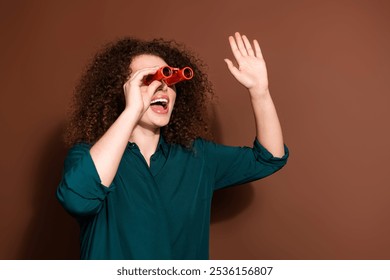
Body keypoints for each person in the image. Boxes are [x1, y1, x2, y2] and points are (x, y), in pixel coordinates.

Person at [57, 32, 289, 260]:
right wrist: (131, 111)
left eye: (170, 81)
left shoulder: (197, 156)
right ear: (122, 91)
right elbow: (77, 200)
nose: (163, 88)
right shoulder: (90, 155)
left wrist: (260, 92)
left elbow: (268, 158)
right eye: (148, 80)